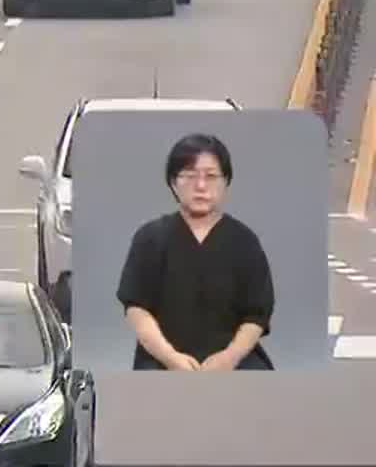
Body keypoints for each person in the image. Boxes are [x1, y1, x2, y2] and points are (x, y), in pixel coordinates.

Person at [117, 132, 274, 371]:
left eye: (211, 176)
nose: (201, 186)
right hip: (163, 358)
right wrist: (171, 357)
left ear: (226, 182)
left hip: (233, 359)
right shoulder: (150, 238)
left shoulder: (244, 241)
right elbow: (136, 307)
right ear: (173, 182)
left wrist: (229, 358)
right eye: (189, 176)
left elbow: (257, 315)